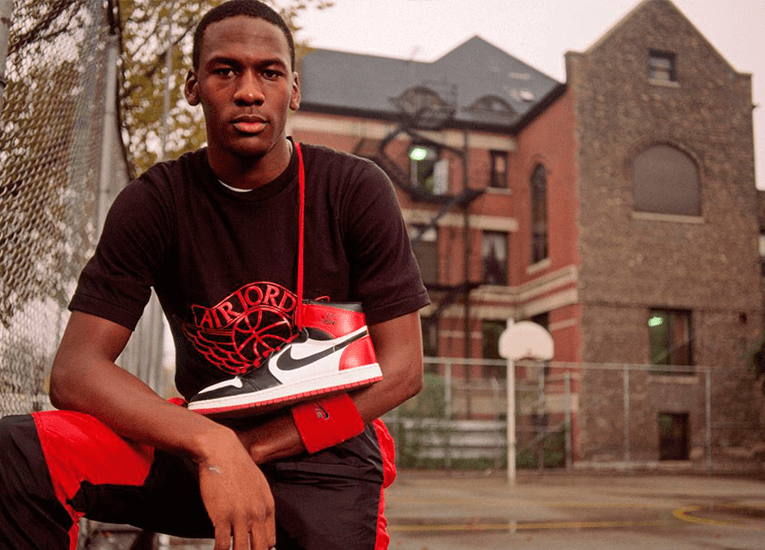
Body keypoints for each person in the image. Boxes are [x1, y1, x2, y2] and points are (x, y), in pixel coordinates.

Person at [0, 1, 429, 549]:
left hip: (325, 454)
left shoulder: (352, 189)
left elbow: (402, 370)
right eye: (225, 71)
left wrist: (253, 450)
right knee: (19, 453)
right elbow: (76, 371)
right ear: (193, 87)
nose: (249, 91)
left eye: (269, 73)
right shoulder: (156, 201)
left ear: (293, 91)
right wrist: (212, 444)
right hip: (201, 443)